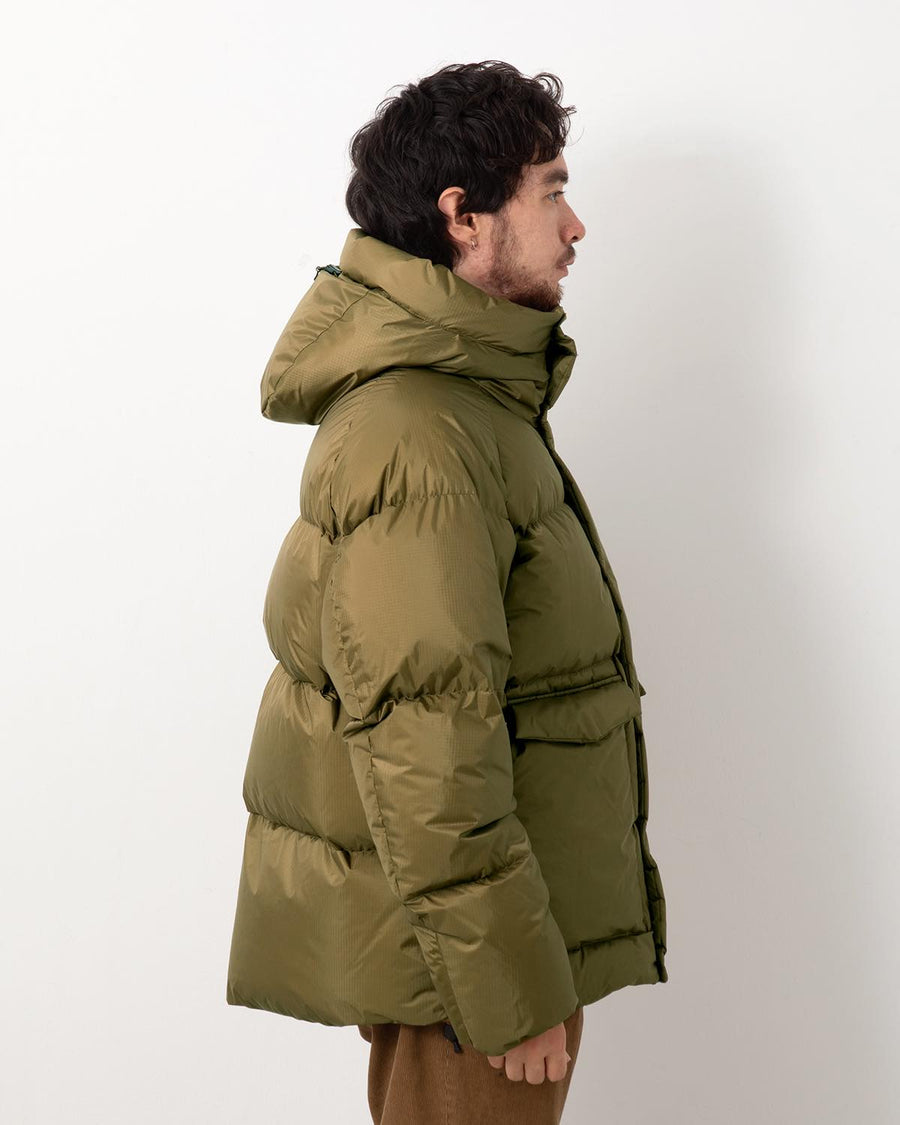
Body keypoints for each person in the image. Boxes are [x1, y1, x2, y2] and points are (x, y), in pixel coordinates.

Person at [226, 59, 668, 1124]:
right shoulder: (420, 433)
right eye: (551, 193)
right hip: (467, 969)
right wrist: (507, 986)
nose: (576, 226)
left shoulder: (466, 408)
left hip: (476, 945)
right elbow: (427, 737)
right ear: (462, 216)